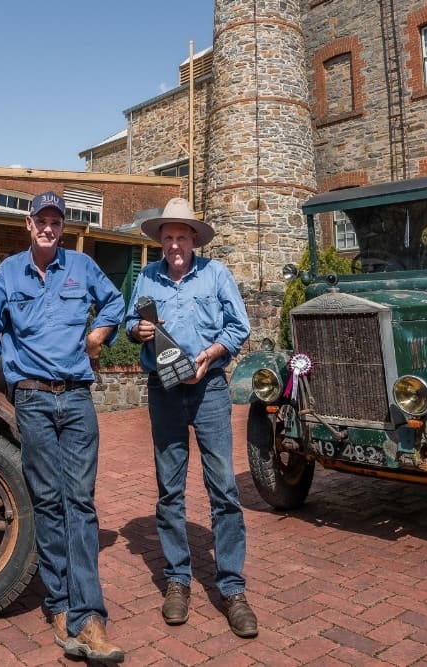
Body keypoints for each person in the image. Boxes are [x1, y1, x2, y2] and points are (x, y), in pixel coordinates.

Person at [0, 190, 125, 662]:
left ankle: (90, 617)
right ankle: (60, 606)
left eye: (56, 222)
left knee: (80, 502)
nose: (48, 228)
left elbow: (116, 303)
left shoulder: (81, 267)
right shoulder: (7, 273)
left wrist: (100, 332)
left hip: (76, 398)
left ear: (62, 227)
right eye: (42, 220)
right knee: (49, 501)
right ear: (29, 224)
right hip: (33, 398)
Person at [124, 197, 257, 638]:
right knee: (169, 488)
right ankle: (178, 580)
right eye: (169, 237)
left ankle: (233, 588)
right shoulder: (146, 276)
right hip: (163, 391)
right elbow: (130, 324)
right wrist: (138, 330)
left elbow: (238, 328)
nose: (175, 244)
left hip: (210, 389)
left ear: (194, 239)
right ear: (160, 241)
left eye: (182, 237)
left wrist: (212, 354)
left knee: (223, 488)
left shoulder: (216, 274)